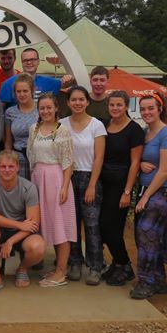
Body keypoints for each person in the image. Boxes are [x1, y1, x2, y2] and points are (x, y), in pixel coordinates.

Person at [131, 94, 167, 300]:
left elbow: (165, 170)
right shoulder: (145, 133)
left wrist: (146, 197)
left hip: (165, 191)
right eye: (143, 109)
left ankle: (146, 281)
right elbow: (140, 158)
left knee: (146, 231)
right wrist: (141, 164)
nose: (146, 112)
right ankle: (158, 279)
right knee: (149, 234)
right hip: (147, 189)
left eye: (151, 108)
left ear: (160, 109)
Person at [26, 93, 76, 287]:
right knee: (50, 225)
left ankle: (61, 272)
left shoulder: (62, 131)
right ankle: (57, 267)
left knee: (60, 225)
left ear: (56, 108)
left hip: (56, 180)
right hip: (39, 178)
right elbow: (31, 156)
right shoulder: (34, 129)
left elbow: (68, 161)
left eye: (49, 107)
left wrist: (64, 186)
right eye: (42, 108)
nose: (45, 111)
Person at [0, 151, 47, 291]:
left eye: (11, 166)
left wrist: (10, 241)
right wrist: (19, 224)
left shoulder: (29, 187)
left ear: (18, 167)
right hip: (1, 229)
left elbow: (34, 223)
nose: (7, 170)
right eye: (3, 166)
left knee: (38, 247)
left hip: (22, 233)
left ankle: (22, 269)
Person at [60, 86, 106, 284]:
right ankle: (75, 263)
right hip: (68, 177)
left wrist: (92, 185)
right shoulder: (62, 124)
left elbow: (99, 157)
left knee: (92, 225)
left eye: (81, 99)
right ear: (68, 102)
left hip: (89, 177)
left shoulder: (97, 125)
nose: (77, 103)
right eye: (74, 100)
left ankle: (96, 266)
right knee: (71, 224)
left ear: (87, 102)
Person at [99, 91, 145, 287]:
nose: (115, 108)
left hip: (120, 186)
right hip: (103, 183)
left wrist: (127, 191)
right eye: (112, 105)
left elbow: (135, 163)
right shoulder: (103, 125)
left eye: (119, 105)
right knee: (102, 226)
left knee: (113, 228)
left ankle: (124, 265)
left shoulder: (134, 130)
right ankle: (117, 263)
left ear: (126, 106)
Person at [0, 47, 73, 104]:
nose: (29, 62)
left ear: (38, 61)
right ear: (22, 62)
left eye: (33, 59)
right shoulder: (8, 84)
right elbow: (0, 111)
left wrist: (69, 78)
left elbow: (67, 83)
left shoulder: (49, 82)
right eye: (26, 60)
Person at [3, 74, 39, 179]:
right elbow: (8, 141)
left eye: (25, 91)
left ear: (32, 91)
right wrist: (8, 161)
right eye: (18, 91)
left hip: (38, 158)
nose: (22, 94)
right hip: (18, 158)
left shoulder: (41, 109)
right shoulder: (10, 112)